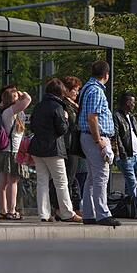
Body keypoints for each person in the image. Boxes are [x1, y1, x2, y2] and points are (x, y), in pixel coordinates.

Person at [29, 78, 82, 223]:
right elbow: (62, 130)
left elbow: (32, 126)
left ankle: (44, 214)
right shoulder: (59, 107)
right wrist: (65, 119)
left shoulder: (39, 106)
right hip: (53, 149)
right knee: (61, 181)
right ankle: (67, 213)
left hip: (37, 148)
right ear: (60, 92)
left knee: (42, 181)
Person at [78, 60, 120, 227]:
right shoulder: (96, 91)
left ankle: (89, 213)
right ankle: (103, 214)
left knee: (91, 178)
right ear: (106, 75)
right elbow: (92, 117)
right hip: (95, 137)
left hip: (88, 137)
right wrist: (99, 141)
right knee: (102, 176)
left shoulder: (87, 88)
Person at [0, 87, 31, 220]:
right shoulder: (10, 112)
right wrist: (21, 93)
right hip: (12, 152)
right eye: (16, 97)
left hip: (3, 152)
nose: (19, 98)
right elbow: (28, 99)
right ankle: (11, 210)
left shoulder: (6, 112)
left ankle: (2, 210)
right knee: (12, 182)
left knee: (2, 183)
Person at [112, 92, 137, 219]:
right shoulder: (117, 116)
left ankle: (129, 210)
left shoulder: (132, 117)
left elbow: (135, 134)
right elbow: (116, 136)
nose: (134, 104)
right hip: (126, 156)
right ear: (127, 102)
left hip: (135, 156)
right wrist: (122, 153)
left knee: (130, 187)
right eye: (132, 102)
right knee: (132, 183)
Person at [61, 76, 83, 211]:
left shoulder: (73, 105)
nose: (77, 93)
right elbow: (72, 125)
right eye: (75, 90)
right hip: (69, 144)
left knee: (72, 176)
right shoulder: (65, 105)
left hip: (73, 143)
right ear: (67, 90)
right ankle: (68, 208)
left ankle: (73, 206)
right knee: (68, 177)